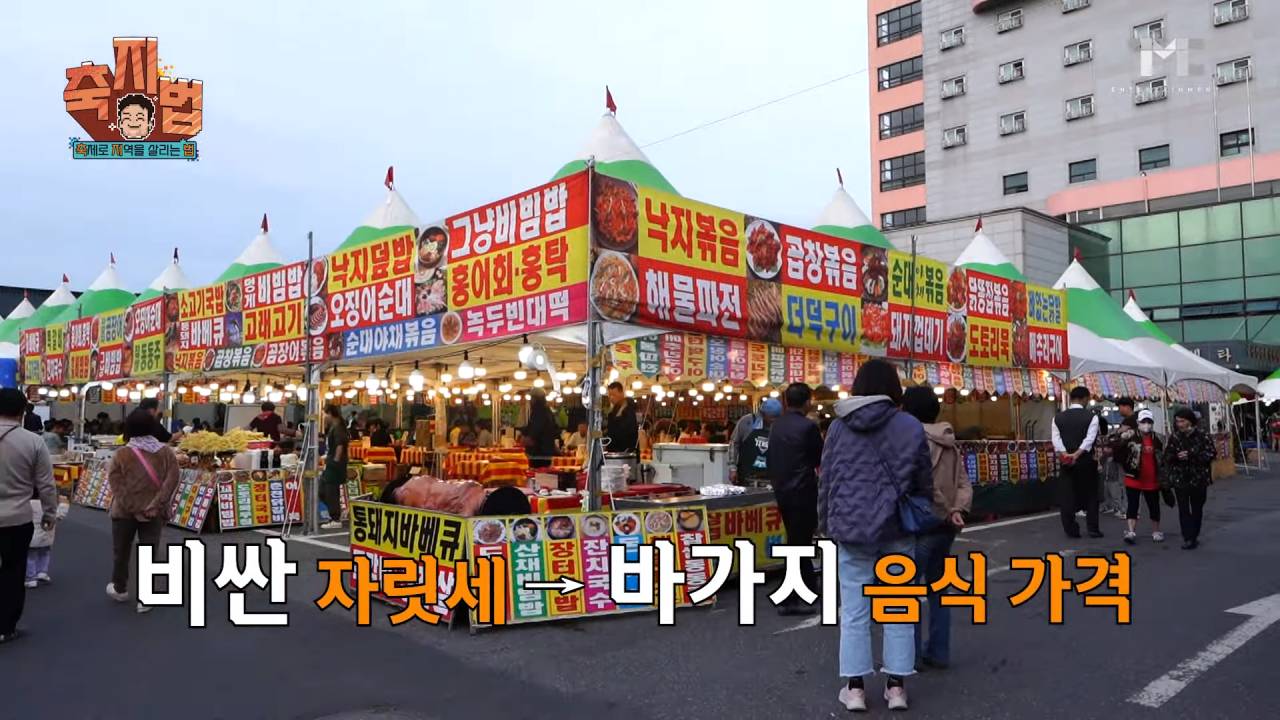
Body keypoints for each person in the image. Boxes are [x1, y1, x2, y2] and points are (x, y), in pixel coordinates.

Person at [820, 359, 933, 712]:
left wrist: (824, 523)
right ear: (894, 390)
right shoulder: (910, 426)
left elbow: (827, 481)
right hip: (897, 527)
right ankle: (896, 688)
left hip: (851, 529)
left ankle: (854, 690)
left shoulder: (839, 428)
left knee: (854, 610)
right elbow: (922, 481)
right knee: (898, 607)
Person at [901, 385, 972, 671]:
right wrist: (958, 509)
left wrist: (945, 511)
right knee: (938, 589)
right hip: (947, 528)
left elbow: (925, 485)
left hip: (924, 523)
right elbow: (965, 483)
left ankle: (912, 655)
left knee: (908, 590)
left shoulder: (914, 440)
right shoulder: (949, 439)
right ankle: (939, 651)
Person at [105, 409, 180, 613]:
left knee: (121, 551)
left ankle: (120, 588)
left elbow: (116, 484)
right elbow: (171, 481)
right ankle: (146, 597)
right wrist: (154, 505)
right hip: (153, 514)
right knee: (149, 552)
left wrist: (133, 507)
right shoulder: (166, 452)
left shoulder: (122, 453)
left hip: (124, 512)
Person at [0, 388, 57, 643]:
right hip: (17, 518)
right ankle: (6, 626)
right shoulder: (34, 442)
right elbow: (46, 484)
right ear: (23, 411)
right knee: (14, 571)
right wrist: (49, 513)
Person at [766, 383, 824, 615]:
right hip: (803, 491)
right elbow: (820, 457)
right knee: (799, 543)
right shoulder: (808, 427)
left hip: (782, 491)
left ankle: (809, 586)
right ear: (808, 401)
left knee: (797, 539)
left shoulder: (776, 425)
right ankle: (790, 598)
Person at [1053, 386, 1103, 539]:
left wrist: (1066, 454)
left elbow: (1056, 440)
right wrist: (1077, 454)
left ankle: (1071, 529)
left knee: (1067, 496)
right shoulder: (1091, 417)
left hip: (1066, 462)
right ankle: (1093, 529)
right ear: (1084, 398)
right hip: (1086, 461)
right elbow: (1089, 439)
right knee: (1091, 495)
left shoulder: (1057, 417)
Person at [1165, 408, 1217, 550]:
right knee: (1183, 509)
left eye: (1182, 421)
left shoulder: (1202, 436)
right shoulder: (1175, 437)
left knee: (1197, 508)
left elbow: (1211, 454)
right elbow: (1167, 456)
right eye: (1177, 421)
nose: (1179, 424)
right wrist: (1176, 457)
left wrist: (1193, 456)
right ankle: (1188, 537)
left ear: (1190, 421)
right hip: (1180, 479)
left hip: (1199, 478)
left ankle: (1194, 535)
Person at [1117, 409, 1165, 545]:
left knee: (1154, 505)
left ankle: (1156, 531)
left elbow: (1163, 456)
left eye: (1149, 422)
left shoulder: (1158, 439)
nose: (1147, 425)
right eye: (1144, 422)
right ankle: (1131, 531)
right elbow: (1116, 449)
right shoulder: (1130, 436)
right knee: (1132, 505)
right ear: (1138, 423)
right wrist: (1121, 435)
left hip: (1152, 478)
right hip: (1134, 477)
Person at [26, 490, 70, 587]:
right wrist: (64, 504)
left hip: (33, 538)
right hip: (47, 536)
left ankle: (30, 578)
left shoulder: (28, 504)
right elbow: (59, 515)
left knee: (30, 557)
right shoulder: (49, 506)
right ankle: (42, 572)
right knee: (45, 554)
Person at [1101, 398, 1136, 517]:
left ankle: (1128, 510)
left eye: (1120, 406)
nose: (1119, 409)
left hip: (1127, 458)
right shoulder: (1129, 420)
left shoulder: (1131, 421)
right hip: (1123, 458)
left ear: (1128, 407)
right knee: (1124, 484)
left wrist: (1113, 442)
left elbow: (1122, 440)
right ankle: (1127, 509)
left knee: (1126, 484)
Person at [729, 400, 780, 482]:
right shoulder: (747, 422)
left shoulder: (779, 426)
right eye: (771, 416)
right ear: (762, 413)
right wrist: (732, 468)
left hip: (770, 477)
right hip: (747, 476)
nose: (774, 419)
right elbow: (734, 444)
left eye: (777, 417)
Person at [320, 404, 350, 529]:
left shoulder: (338, 428)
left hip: (335, 464)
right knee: (322, 489)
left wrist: (335, 461)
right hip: (332, 462)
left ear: (330, 413)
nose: (324, 417)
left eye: (325, 414)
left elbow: (340, 445)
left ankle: (335, 518)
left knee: (330, 490)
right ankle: (336, 512)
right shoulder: (335, 427)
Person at [520, 388, 561, 469]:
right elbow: (556, 429)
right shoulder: (548, 411)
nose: (530, 401)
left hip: (538, 455)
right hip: (547, 453)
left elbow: (534, 432)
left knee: (539, 478)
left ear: (535, 399)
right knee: (546, 478)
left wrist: (526, 438)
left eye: (531, 398)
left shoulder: (538, 412)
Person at [604, 381, 639, 455]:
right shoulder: (613, 412)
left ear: (622, 393)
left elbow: (629, 433)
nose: (611, 398)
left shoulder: (629, 410)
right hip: (613, 454)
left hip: (626, 454)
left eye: (614, 395)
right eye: (609, 395)